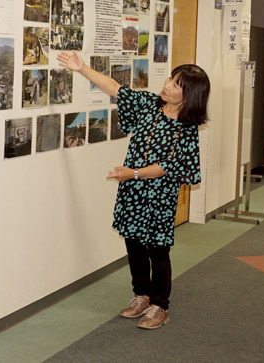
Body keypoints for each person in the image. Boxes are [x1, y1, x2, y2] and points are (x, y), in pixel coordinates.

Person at [57, 50, 210, 330]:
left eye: (176, 85)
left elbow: (170, 165)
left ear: (189, 96)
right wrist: (82, 68)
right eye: (170, 79)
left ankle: (160, 306)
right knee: (134, 246)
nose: (166, 85)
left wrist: (133, 173)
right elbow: (115, 89)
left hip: (160, 197)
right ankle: (141, 295)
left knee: (158, 251)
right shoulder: (149, 105)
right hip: (133, 192)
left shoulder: (187, 128)